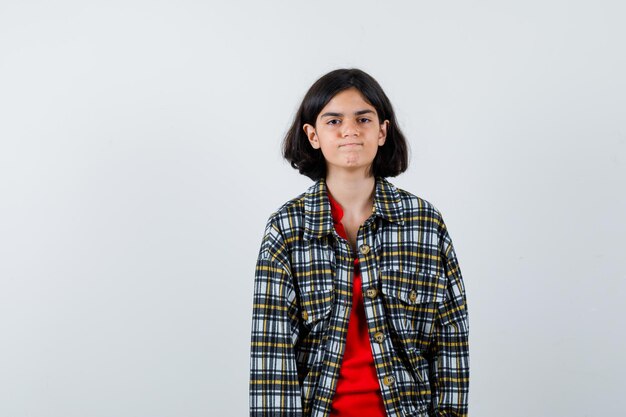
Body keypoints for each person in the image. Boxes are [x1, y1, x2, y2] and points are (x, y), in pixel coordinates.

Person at [249, 68, 469, 417]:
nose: (350, 130)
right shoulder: (287, 228)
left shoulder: (424, 222)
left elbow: (451, 340)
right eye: (333, 121)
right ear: (312, 135)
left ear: (382, 131)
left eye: (363, 119)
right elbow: (271, 355)